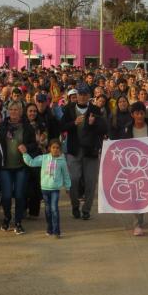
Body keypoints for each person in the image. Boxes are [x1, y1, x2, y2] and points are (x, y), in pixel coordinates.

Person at [62, 85, 108, 221]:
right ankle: (75, 205)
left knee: (90, 182)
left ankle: (86, 209)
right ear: (76, 95)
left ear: (89, 96)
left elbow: (104, 128)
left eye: (85, 94)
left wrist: (94, 123)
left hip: (91, 151)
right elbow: (62, 126)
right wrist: (73, 123)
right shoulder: (69, 109)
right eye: (80, 94)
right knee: (73, 180)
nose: (82, 96)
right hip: (74, 151)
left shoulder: (95, 109)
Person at [117, 102, 148, 236]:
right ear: (132, 115)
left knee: (146, 194)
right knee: (136, 195)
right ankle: (138, 224)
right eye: (137, 113)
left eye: (142, 113)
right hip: (133, 169)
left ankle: (140, 219)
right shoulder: (127, 129)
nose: (140, 116)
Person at [0, 101, 37, 234]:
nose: (14, 112)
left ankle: (18, 221)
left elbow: (34, 144)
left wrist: (27, 147)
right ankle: (7, 217)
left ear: (21, 111)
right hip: (5, 167)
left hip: (21, 166)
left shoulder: (27, 127)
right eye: (11, 109)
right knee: (7, 196)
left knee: (20, 195)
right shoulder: (2, 126)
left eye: (16, 109)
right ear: (8, 110)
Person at [20, 139, 71, 238]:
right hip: (45, 189)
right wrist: (25, 154)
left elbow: (66, 175)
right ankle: (49, 228)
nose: (55, 150)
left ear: (60, 149)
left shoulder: (62, 161)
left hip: (55, 189)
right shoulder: (43, 158)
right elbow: (31, 162)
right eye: (53, 147)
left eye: (57, 148)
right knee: (48, 210)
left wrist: (67, 186)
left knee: (54, 209)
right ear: (49, 149)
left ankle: (57, 231)